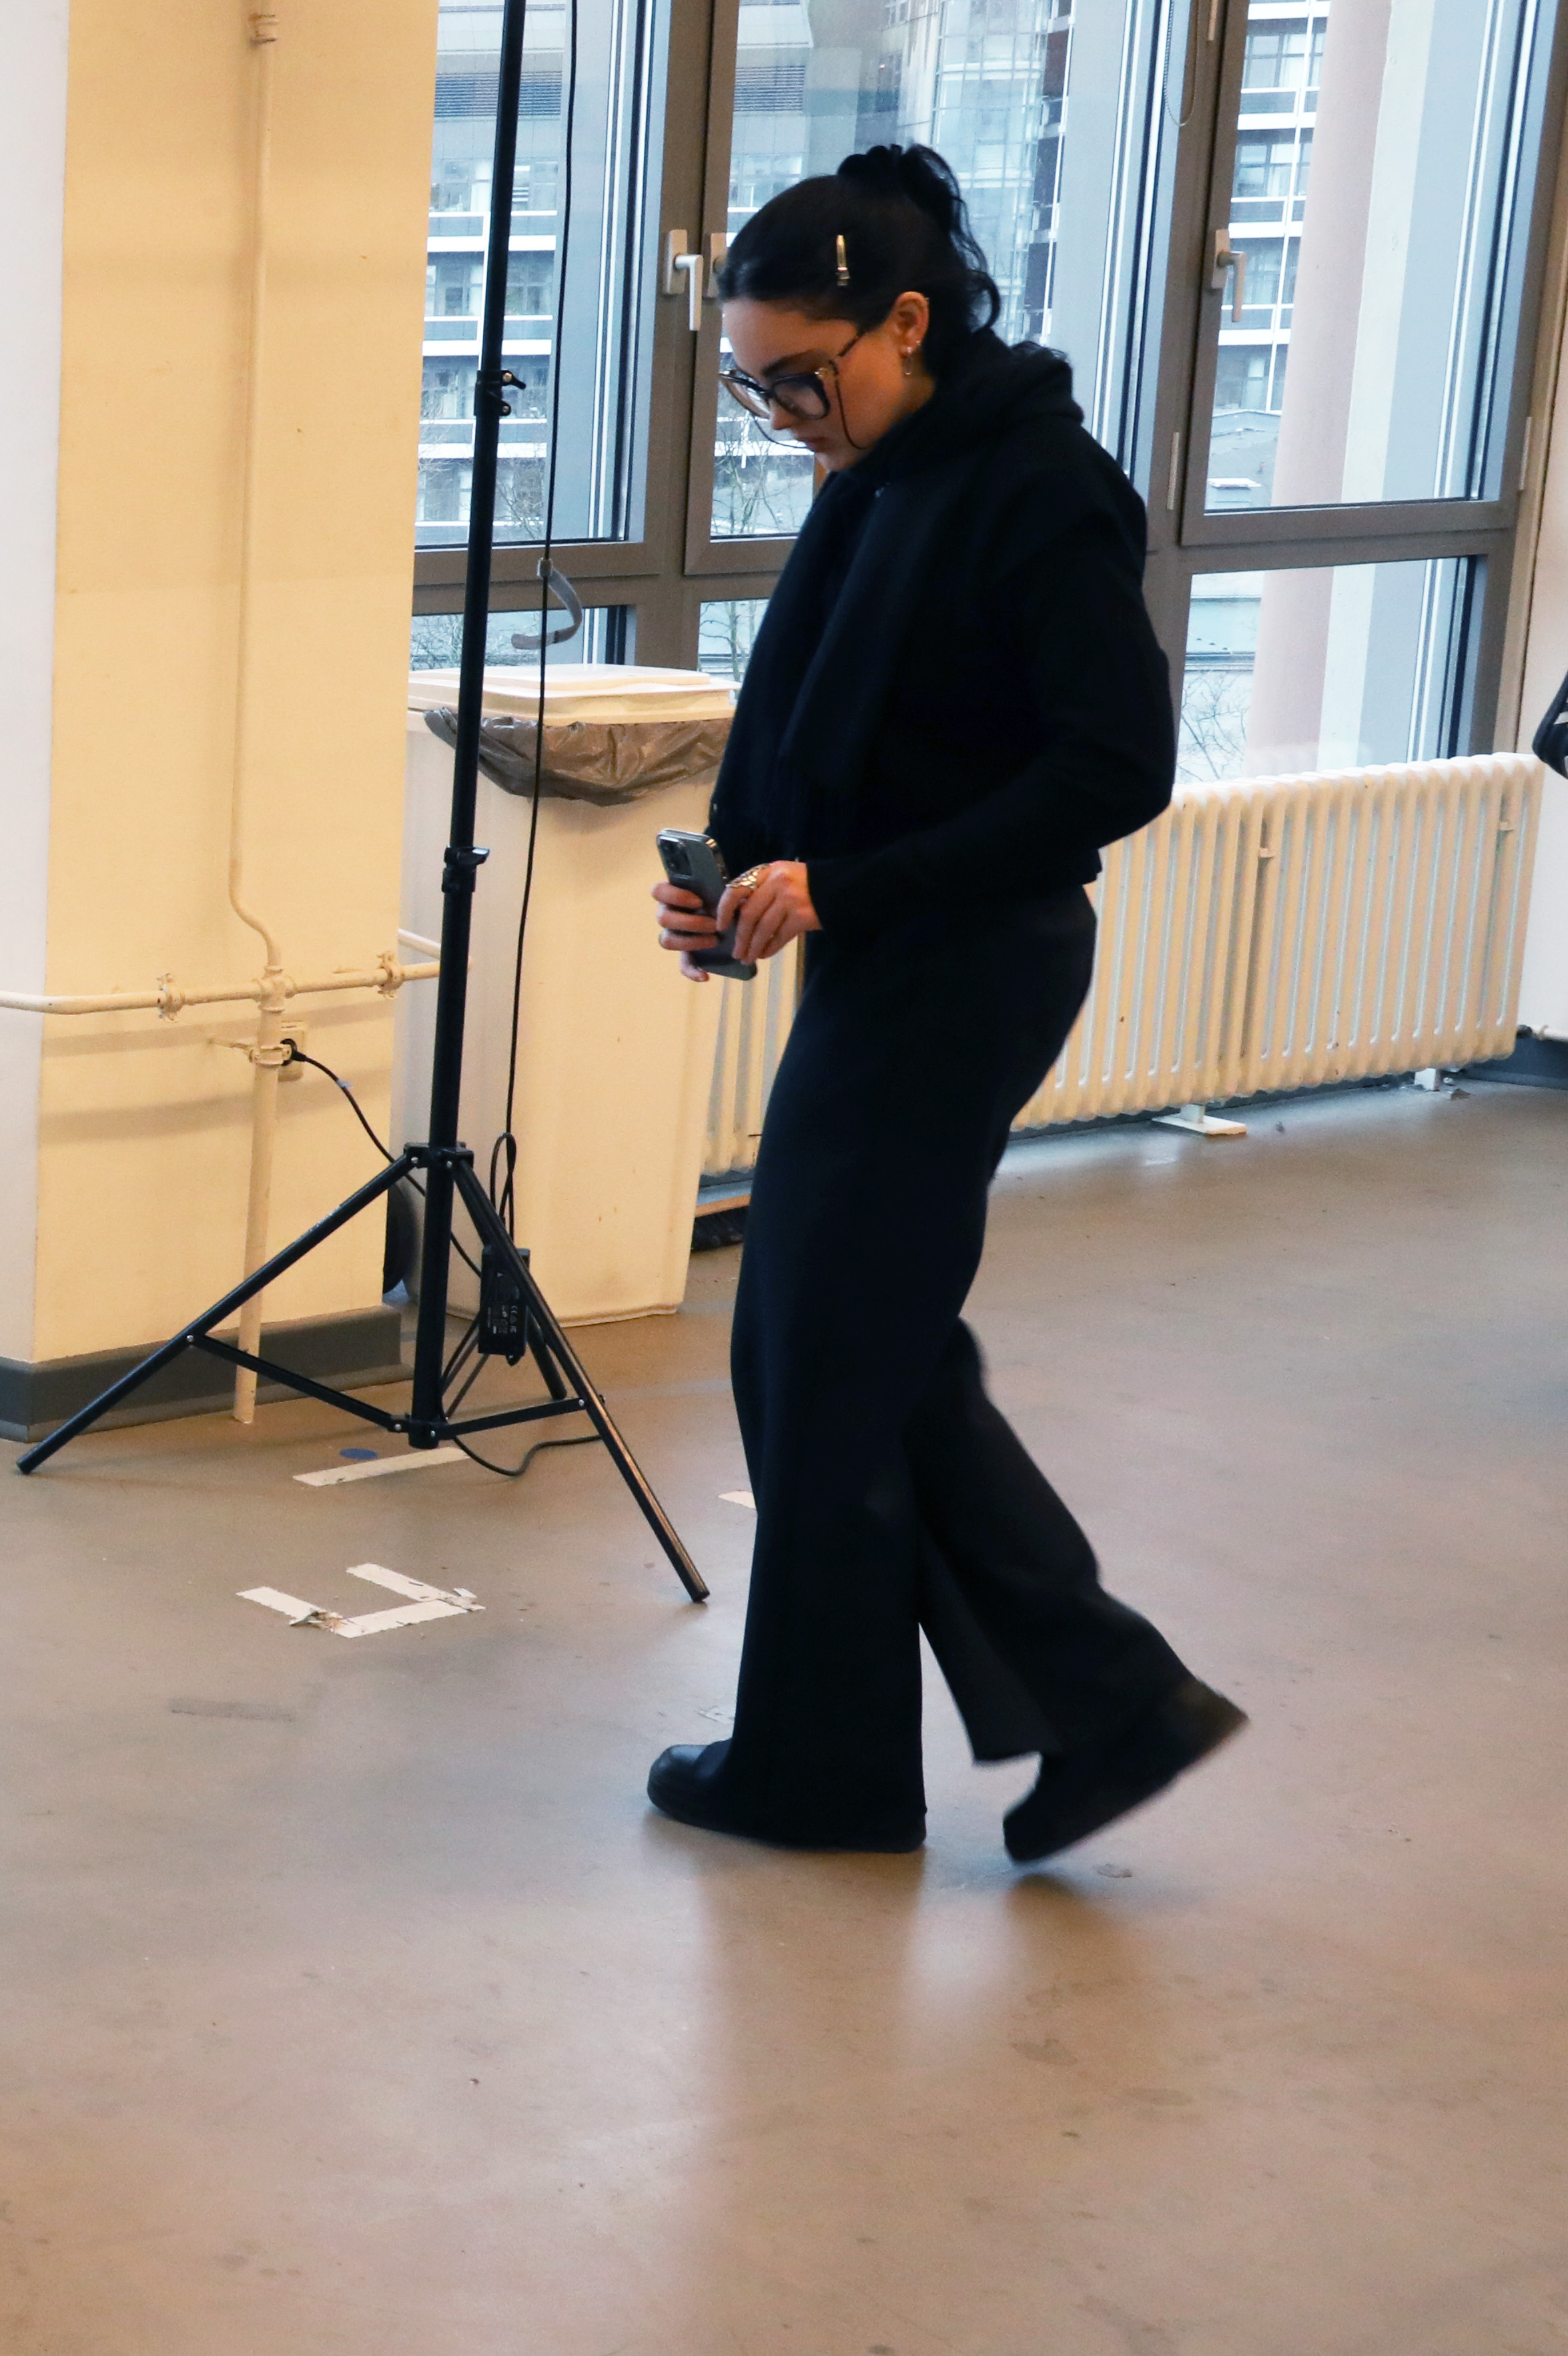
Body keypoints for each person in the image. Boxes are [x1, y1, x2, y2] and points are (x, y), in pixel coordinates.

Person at [645, 144, 1244, 1861]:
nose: (786, 419)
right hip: (884, 960)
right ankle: (1100, 1707)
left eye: (800, 379)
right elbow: (804, 706)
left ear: (904, 323)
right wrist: (740, 871)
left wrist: (850, 886)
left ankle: (833, 1770)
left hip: (968, 964)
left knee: (828, 1356)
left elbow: (1112, 768)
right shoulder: (882, 469)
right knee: (848, 1349)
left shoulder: (1038, 485)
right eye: (756, 390)